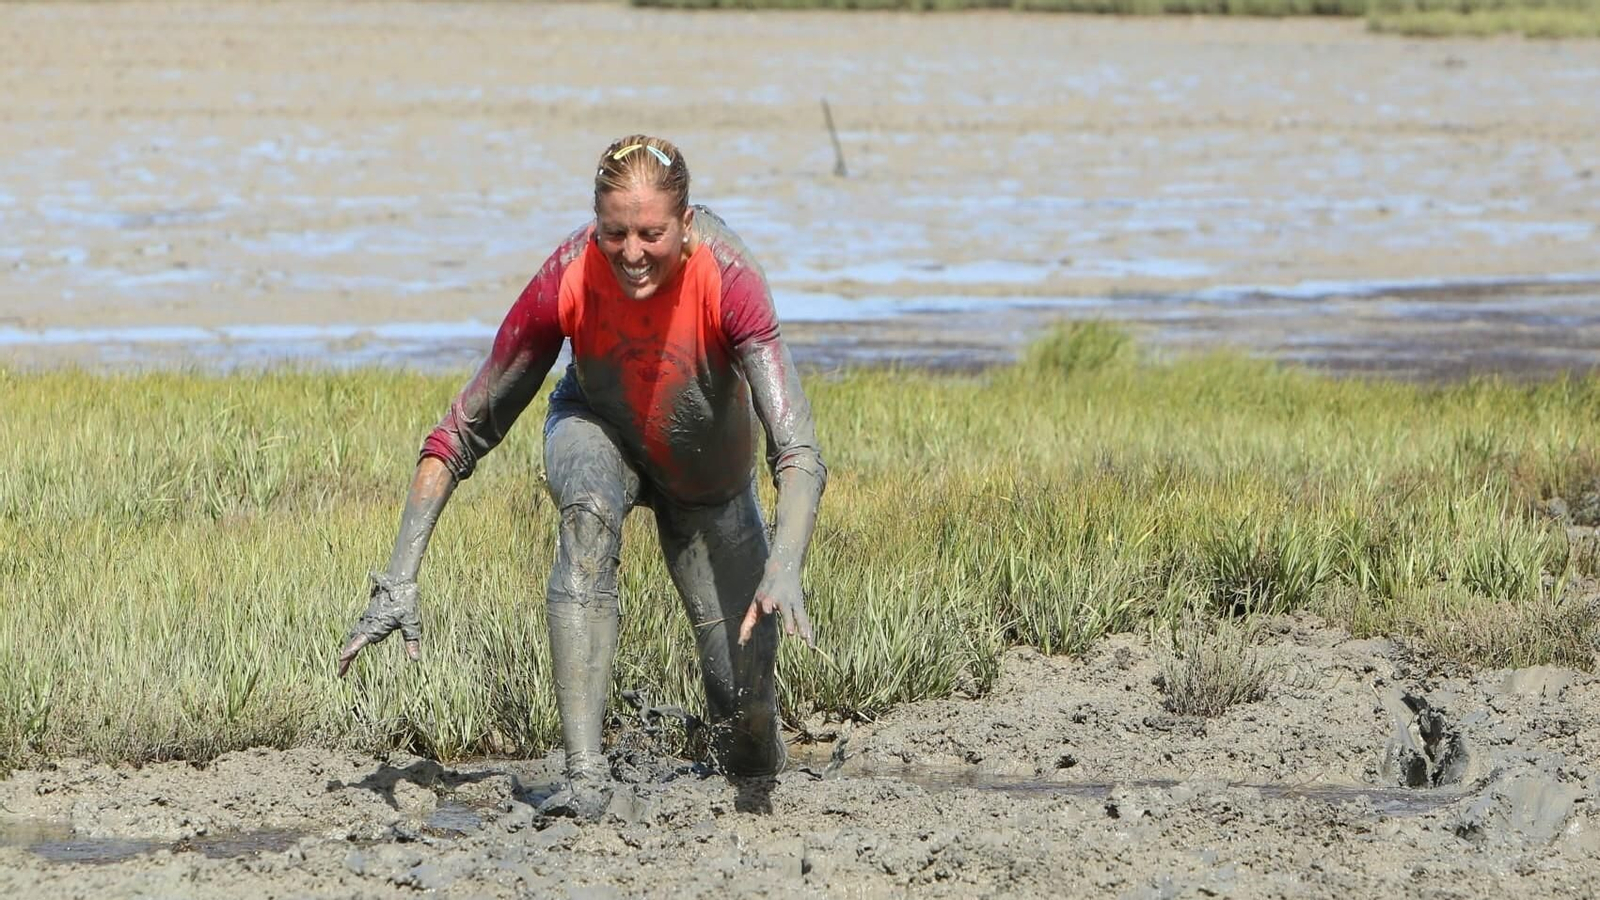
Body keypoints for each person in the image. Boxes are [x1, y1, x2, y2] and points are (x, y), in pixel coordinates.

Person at [335, 134, 827, 815]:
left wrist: (786, 564)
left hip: (710, 481)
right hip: (598, 429)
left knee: (747, 734)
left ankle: (733, 740)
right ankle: (585, 779)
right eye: (614, 233)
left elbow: (797, 450)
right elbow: (461, 432)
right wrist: (399, 577)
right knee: (587, 514)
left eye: (651, 233)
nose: (631, 253)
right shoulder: (568, 274)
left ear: (686, 226)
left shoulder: (730, 277)